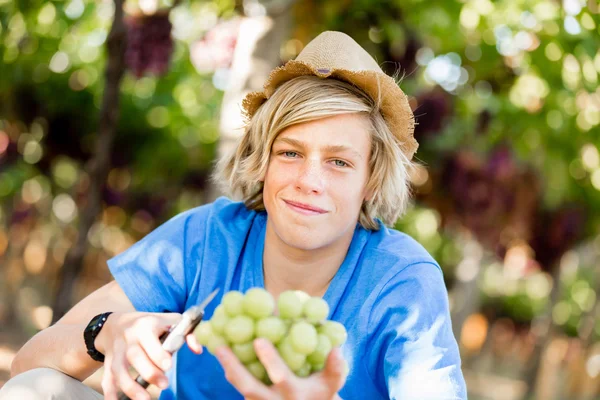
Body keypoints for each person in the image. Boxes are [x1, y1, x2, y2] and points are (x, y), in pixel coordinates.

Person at [0, 31, 467, 400]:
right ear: (262, 160)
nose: (310, 180)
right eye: (290, 153)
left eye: (339, 162)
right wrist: (106, 331)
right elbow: (27, 368)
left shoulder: (404, 281)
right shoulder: (203, 237)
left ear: (370, 179)